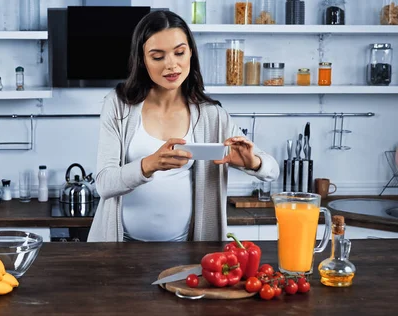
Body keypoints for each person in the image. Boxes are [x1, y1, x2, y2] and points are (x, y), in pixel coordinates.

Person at [87, 11, 279, 242]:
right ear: (142, 60)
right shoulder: (119, 106)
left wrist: (253, 162)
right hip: (120, 246)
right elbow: (104, 184)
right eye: (158, 57)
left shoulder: (211, 115)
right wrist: (149, 165)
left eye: (179, 52)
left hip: (188, 249)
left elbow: (272, 170)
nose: (172, 65)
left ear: (190, 53)